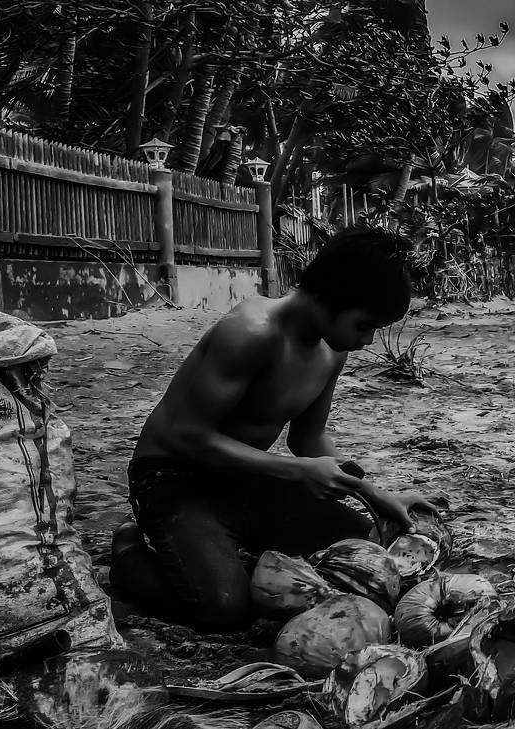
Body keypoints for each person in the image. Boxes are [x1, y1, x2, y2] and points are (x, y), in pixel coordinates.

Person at [109, 227, 437, 631]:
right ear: (332, 296)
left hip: (244, 478)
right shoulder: (251, 331)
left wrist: (374, 493)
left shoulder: (331, 351)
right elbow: (184, 435)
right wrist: (299, 471)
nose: (367, 340)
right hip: (170, 480)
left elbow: (307, 438)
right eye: (363, 325)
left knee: (369, 555)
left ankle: (228, 540)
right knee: (225, 610)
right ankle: (128, 556)